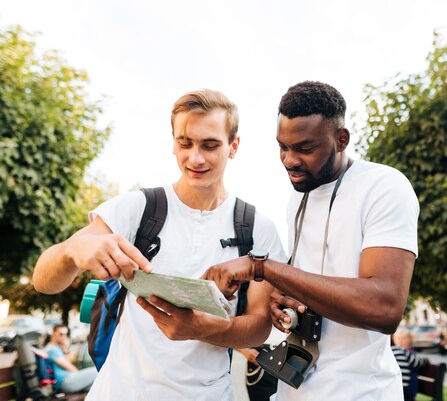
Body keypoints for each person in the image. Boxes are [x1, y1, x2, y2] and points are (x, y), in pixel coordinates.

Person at [33, 89, 286, 401]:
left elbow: (260, 326)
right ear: (174, 142)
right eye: (185, 143)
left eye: (210, 145)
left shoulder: (258, 229)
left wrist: (205, 329)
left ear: (233, 146)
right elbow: (43, 280)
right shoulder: (137, 208)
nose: (195, 158)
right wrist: (73, 253)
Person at [204, 81, 419, 401]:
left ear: (341, 139)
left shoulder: (384, 186)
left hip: (361, 392)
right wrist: (282, 297)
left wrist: (263, 269)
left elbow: (385, 307)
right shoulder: (299, 199)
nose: (289, 160)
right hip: (295, 389)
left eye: (305, 148)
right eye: (282, 147)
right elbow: (310, 282)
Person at [45, 324, 96, 394]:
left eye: (65, 334)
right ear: (53, 334)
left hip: (68, 379)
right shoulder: (51, 349)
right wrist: (80, 375)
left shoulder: (57, 348)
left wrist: (65, 349)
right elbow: (69, 367)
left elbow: (69, 362)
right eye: (61, 334)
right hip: (64, 381)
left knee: (96, 386)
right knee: (98, 371)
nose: (64, 337)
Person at [391, 327, 429, 401]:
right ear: (395, 340)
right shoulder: (404, 352)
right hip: (404, 387)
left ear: (409, 340)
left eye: (403, 339)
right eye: (399, 339)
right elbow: (417, 362)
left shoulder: (392, 350)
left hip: (397, 386)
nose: (401, 341)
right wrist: (426, 361)